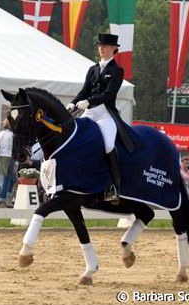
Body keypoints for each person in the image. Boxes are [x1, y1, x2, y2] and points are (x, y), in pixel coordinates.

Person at [66, 33, 124, 201]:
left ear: (114, 49)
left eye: (105, 46)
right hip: (89, 112)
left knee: (108, 145)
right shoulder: (93, 69)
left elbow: (109, 94)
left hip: (105, 113)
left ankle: (114, 186)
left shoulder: (117, 71)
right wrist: (73, 102)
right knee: (74, 139)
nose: (101, 48)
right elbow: (84, 91)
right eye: (100, 46)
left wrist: (89, 102)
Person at [0, 118, 15, 207]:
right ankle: (3, 199)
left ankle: (6, 199)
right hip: (9, 157)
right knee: (8, 179)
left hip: (1, 157)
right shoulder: (12, 135)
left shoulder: (0, 134)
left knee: (9, 179)